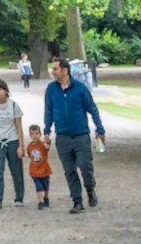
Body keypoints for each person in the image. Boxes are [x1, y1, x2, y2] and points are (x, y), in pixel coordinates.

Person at [44, 58, 105, 213]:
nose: (52, 72)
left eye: (55, 69)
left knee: (85, 165)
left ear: (65, 70)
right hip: (62, 137)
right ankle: (77, 201)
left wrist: (100, 129)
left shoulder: (80, 88)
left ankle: (90, 189)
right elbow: (48, 110)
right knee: (69, 170)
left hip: (80, 136)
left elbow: (92, 108)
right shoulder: (51, 89)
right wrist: (46, 131)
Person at [0, 79, 26, 209]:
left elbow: (19, 127)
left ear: (6, 91)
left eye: (0, 89)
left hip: (12, 140)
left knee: (16, 171)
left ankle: (19, 197)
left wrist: (21, 146)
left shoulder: (14, 106)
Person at [24, 124, 53, 209]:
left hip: (45, 170)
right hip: (35, 171)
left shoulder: (43, 144)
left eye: (36, 133)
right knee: (39, 186)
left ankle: (46, 197)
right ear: (30, 135)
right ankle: (40, 202)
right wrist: (22, 154)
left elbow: (47, 146)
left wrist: (48, 141)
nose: (34, 135)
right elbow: (28, 155)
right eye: (32, 134)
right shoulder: (29, 146)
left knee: (45, 186)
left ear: (40, 134)